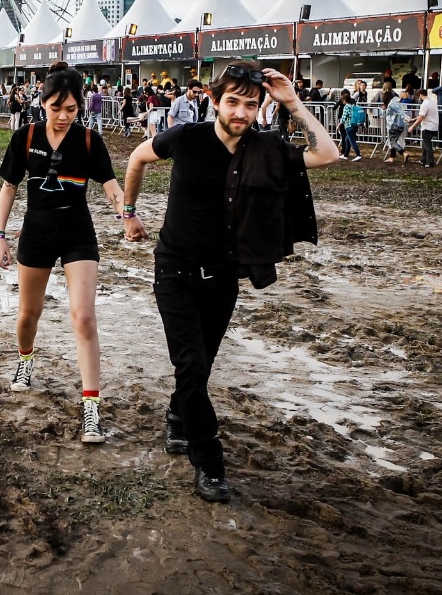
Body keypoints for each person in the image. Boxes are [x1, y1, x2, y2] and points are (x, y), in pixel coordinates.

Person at [122, 60, 339, 502]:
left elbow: (327, 154)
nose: (241, 112)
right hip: (175, 269)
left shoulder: (266, 147)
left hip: (224, 275)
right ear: (214, 100)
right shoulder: (186, 137)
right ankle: (209, 463)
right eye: (233, 102)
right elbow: (136, 158)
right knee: (192, 364)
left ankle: (178, 417)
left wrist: (292, 101)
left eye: (251, 104)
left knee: (200, 364)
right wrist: (129, 212)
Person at [0, 62, 126, 444]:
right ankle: (25, 359)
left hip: (77, 231)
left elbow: (111, 185)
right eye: (57, 108)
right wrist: (0, 236)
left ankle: (91, 409)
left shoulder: (89, 141)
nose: (64, 116)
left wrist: (124, 210)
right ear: (43, 101)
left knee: (84, 316)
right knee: (27, 314)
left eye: (71, 109)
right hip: (35, 231)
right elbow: (8, 189)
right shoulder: (25, 136)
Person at [407, 88, 439, 167]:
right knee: (425, 144)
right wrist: (414, 119)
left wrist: (412, 126)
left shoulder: (425, 104)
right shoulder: (432, 102)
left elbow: (422, 117)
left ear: (420, 95)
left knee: (427, 145)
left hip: (427, 127)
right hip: (434, 126)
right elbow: (424, 115)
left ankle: (430, 162)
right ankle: (423, 159)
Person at [384, 85, 411, 164]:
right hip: (400, 124)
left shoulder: (391, 104)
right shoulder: (397, 102)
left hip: (393, 125)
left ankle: (404, 153)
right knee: (394, 140)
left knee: (392, 142)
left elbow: (400, 112)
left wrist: (406, 117)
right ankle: (391, 157)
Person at [339, 93, 364, 161]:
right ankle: (345, 154)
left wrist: (339, 124)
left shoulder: (346, 107)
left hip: (349, 125)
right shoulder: (353, 106)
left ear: (344, 100)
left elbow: (344, 117)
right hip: (354, 125)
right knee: (347, 139)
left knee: (352, 141)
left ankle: (358, 154)